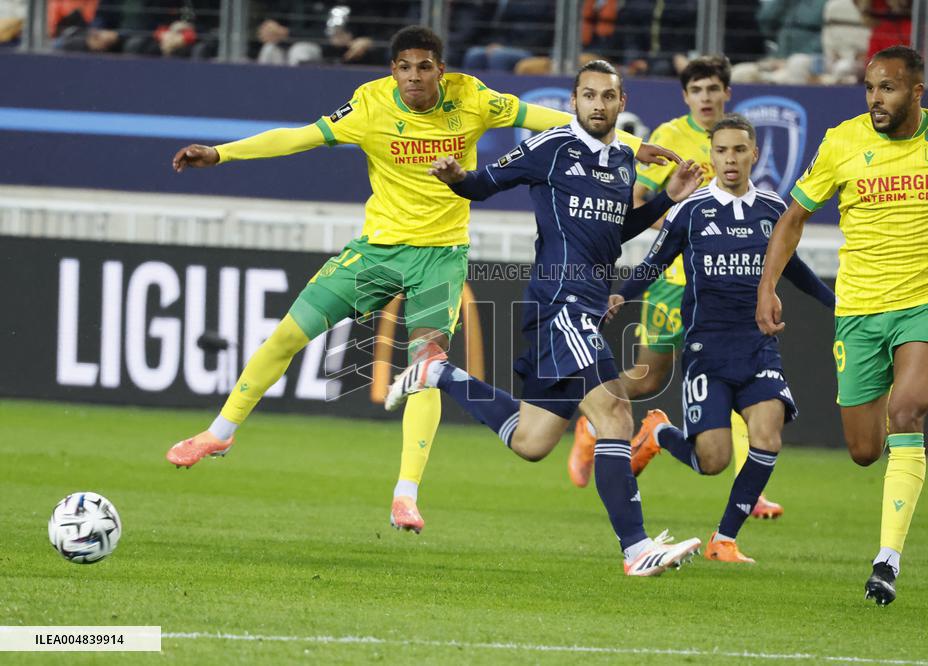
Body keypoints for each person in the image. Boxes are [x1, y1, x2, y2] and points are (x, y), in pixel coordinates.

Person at [165, 25, 676, 535]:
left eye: (424, 67)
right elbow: (299, 137)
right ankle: (220, 432)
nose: (414, 77)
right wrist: (221, 153)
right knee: (288, 335)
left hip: (440, 257)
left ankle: (405, 494)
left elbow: (548, 117)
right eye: (405, 67)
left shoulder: (471, 97)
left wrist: (631, 144)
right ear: (393, 71)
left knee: (426, 363)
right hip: (376, 253)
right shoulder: (369, 106)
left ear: (441, 70)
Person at [385, 60, 705, 576]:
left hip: (582, 304)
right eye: (588, 95)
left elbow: (613, 231)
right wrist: (456, 177)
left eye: (607, 97)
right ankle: (637, 548)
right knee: (616, 414)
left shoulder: (624, 159)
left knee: (532, 441)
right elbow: (484, 183)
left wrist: (667, 198)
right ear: (574, 101)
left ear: (622, 105)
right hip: (561, 302)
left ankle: (438, 372)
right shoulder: (552, 146)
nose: (597, 105)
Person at [756, 45, 928, 603]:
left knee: (907, 411)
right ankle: (889, 491)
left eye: (887, 88)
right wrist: (767, 286)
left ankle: (886, 560)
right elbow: (793, 217)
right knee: (865, 449)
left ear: (917, 92)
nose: (875, 99)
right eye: (870, 88)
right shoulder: (843, 141)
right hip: (860, 309)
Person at [568, 55, 786, 521]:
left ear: (726, 92)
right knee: (651, 377)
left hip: (736, 291)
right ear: (685, 97)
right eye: (697, 91)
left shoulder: (734, 136)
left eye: (713, 89)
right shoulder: (668, 137)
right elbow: (639, 198)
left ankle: (748, 483)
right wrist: (689, 233)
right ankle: (595, 418)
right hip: (675, 283)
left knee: (742, 372)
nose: (706, 98)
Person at [615, 114, 835, 563]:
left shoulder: (775, 210)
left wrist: (841, 306)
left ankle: (725, 540)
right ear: (711, 156)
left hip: (756, 345)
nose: (730, 159)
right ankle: (658, 432)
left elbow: (795, 270)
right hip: (707, 347)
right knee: (711, 461)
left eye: (739, 150)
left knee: (768, 434)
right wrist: (620, 295)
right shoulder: (691, 211)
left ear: (754, 154)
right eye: (721, 151)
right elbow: (655, 263)